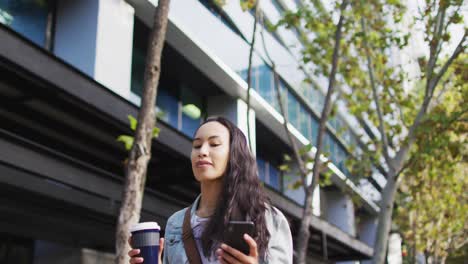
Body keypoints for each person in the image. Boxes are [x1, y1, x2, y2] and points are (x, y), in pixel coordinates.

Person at [129, 116, 293, 263]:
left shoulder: (268, 219)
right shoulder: (175, 223)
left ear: (234, 154)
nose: (202, 152)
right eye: (197, 145)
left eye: (214, 144)